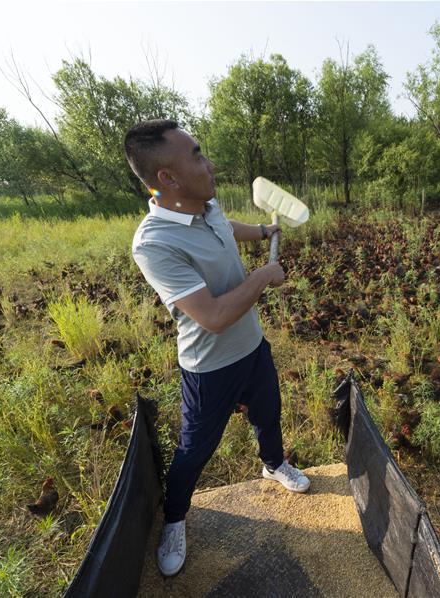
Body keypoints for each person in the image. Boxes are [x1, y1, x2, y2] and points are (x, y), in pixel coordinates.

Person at [124, 119, 310, 577]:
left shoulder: (206, 206)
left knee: (269, 413)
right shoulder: (154, 243)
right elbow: (213, 316)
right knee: (195, 448)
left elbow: (225, 227)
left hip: (253, 347)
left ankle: (273, 465)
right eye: (197, 156)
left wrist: (263, 232)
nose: (209, 165)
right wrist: (263, 276)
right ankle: (175, 518)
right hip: (209, 367)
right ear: (167, 177)